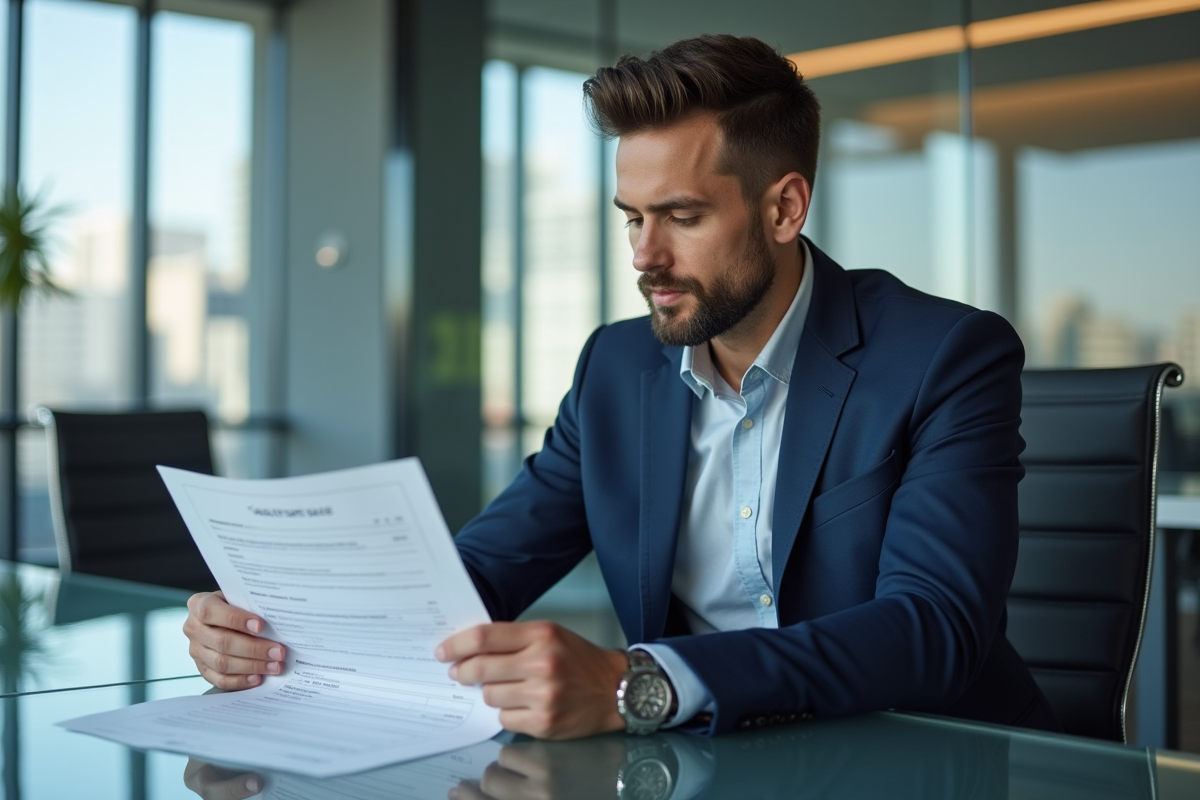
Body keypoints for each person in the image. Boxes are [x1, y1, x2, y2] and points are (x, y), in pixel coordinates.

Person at [182, 34, 1059, 741]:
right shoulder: (617, 366)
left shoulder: (946, 354)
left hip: (917, 757)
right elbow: (486, 568)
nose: (644, 257)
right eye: (633, 218)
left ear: (785, 209)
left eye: (683, 216)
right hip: (707, 758)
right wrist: (282, 633)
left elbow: (934, 626)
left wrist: (638, 682)